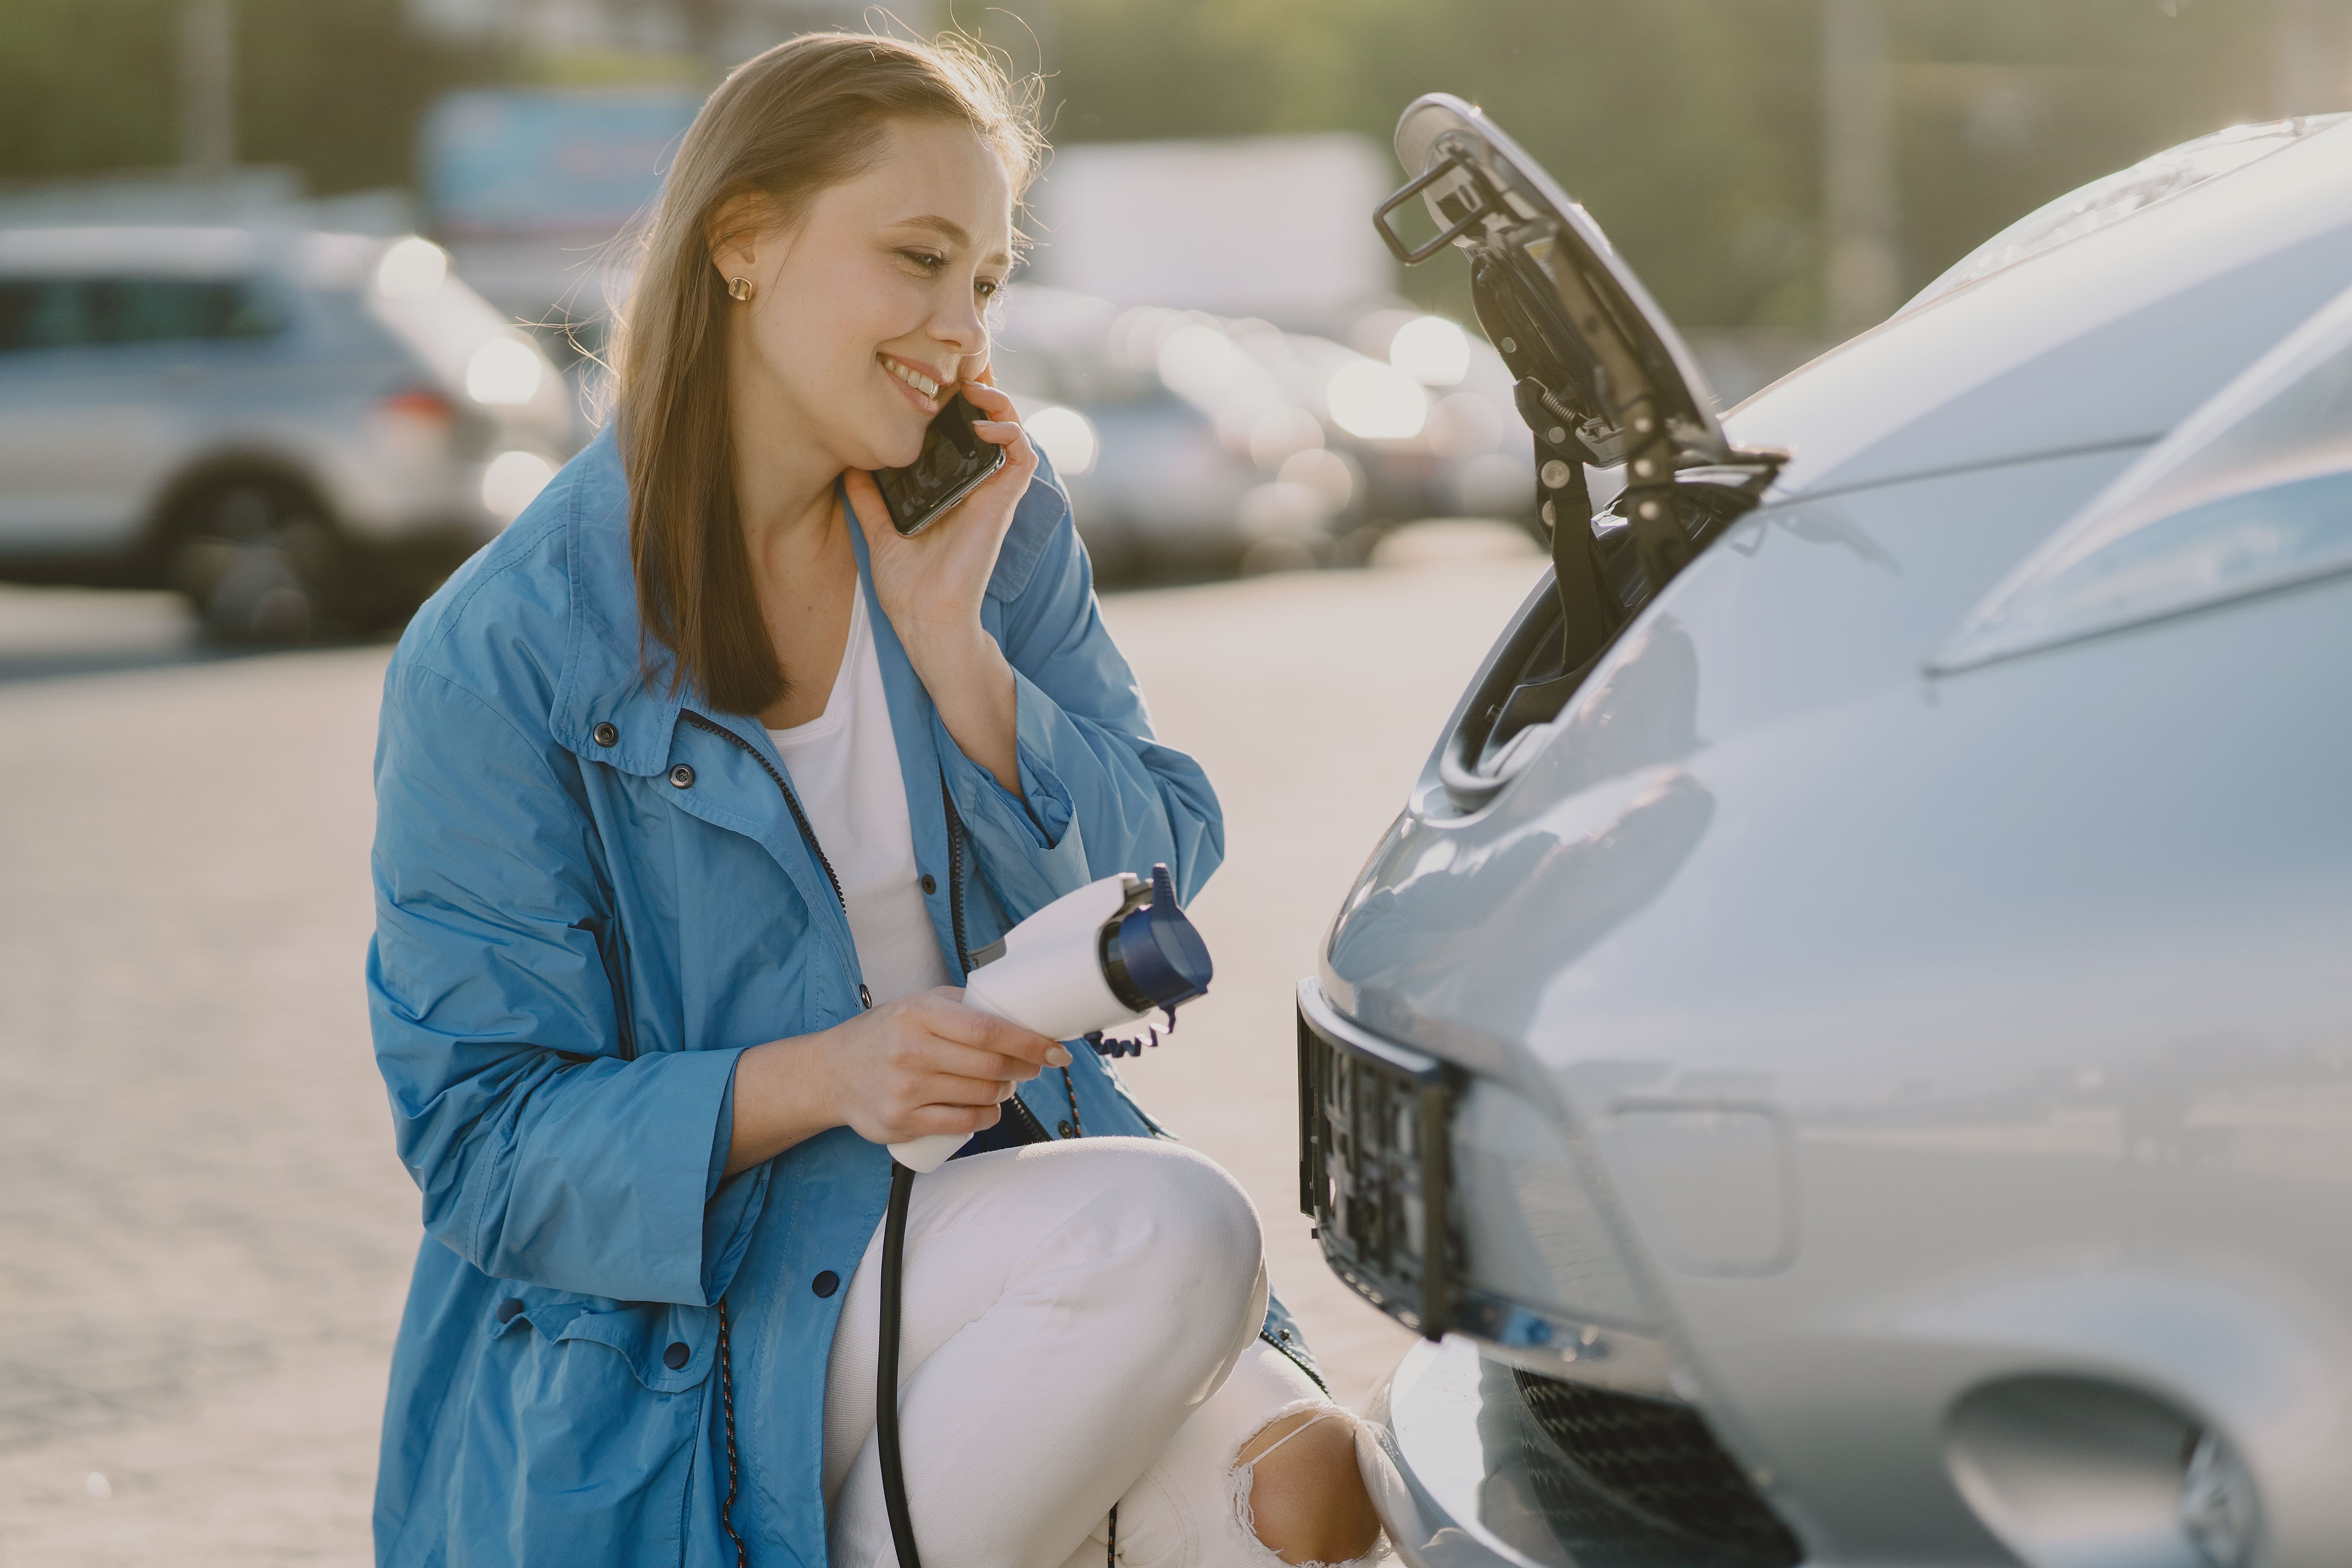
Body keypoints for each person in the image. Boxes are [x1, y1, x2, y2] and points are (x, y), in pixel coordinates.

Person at [364, 30, 1383, 1568]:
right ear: (744, 245)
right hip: (699, 1304)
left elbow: (1159, 865)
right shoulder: (507, 650)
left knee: (1311, 1497)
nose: (959, 328)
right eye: (917, 259)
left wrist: (954, 649)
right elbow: (486, 1145)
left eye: (983, 278)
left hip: (1000, 1210)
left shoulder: (989, 527)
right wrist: (835, 1073)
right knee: (1176, 1233)